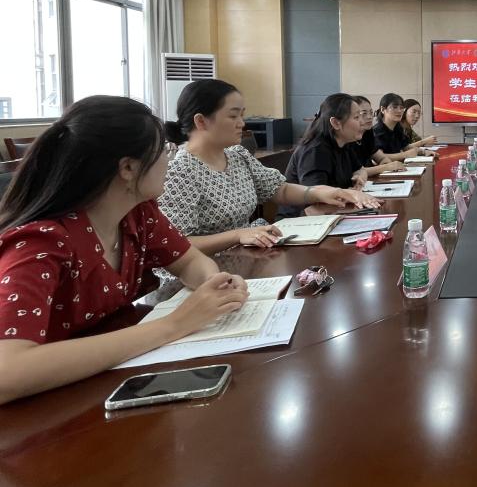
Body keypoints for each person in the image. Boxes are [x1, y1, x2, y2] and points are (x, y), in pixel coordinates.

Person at [0, 96, 250, 404]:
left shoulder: (138, 213)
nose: (170, 159)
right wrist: (176, 324)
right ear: (128, 168)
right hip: (44, 405)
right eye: (164, 150)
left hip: (107, 379)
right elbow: (7, 373)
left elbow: (188, 261)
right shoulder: (40, 243)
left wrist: (214, 284)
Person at [160, 80, 378, 253]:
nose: (242, 123)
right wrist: (237, 235)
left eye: (242, 115)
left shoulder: (237, 155)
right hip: (206, 274)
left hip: (249, 254)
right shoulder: (179, 172)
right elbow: (176, 244)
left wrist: (321, 192)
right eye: (233, 116)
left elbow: (279, 189)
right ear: (201, 121)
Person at [280, 93, 371, 217]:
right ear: (336, 123)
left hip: (333, 213)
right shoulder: (315, 151)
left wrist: (360, 175)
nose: (362, 122)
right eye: (356, 117)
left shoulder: (345, 143)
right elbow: (315, 197)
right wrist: (350, 194)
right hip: (300, 220)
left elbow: (360, 169)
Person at [347, 96, 404, 178]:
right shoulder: (347, 139)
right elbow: (356, 171)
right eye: (364, 113)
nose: (369, 117)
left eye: (371, 112)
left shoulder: (368, 133)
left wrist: (386, 164)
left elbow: (382, 158)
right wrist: (386, 167)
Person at [372, 93, 433, 161]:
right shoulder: (376, 131)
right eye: (395, 107)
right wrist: (405, 155)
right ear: (383, 109)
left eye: (401, 108)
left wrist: (423, 152)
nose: (399, 111)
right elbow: (378, 157)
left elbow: (406, 147)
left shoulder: (398, 128)